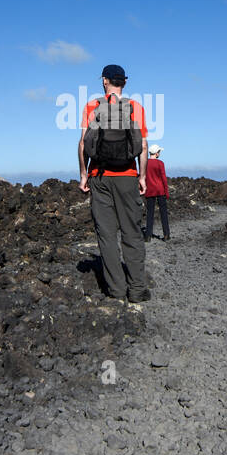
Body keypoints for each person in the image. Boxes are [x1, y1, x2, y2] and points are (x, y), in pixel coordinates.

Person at [79, 64, 150, 303]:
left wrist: (83, 175)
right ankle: (137, 290)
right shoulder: (135, 107)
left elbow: (83, 144)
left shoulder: (92, 106)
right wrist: (142, 176)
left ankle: (117, 290)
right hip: (128, 176)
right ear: (125, 83)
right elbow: (143, 145)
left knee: (107, 234)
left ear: (104, 81)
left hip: (99, 177)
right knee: (132, 232)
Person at [143, 144, 169, 241]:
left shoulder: (145, 163)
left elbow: (144, 177)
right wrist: (166, 192)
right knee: (163, 213)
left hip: (150, 190)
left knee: (150, 213)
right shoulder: (160, 163)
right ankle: (166, 235)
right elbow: (164, 179)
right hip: (160, 190)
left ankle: (148, 236)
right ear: (157, 153)